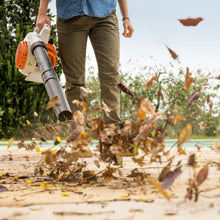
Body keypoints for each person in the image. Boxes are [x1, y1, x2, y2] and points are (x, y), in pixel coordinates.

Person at [36, 0, 134, 125]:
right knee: (74, 80)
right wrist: (42, 13)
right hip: (69, 15)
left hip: (105, 15)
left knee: (111, 75)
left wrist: (126, 17)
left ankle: (113, 129)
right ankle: (79, 132)